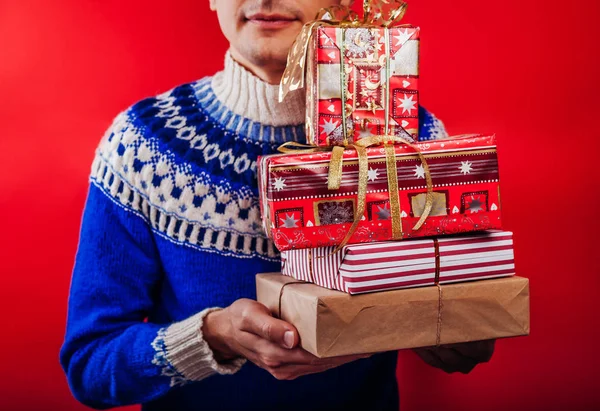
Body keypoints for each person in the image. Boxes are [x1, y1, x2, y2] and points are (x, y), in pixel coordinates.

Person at [60, 0, 494, 410]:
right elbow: (90, 365)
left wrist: (458, 327)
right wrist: (211, 337)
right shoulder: (142, 146)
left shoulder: (409, 142)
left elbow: (461, 318)